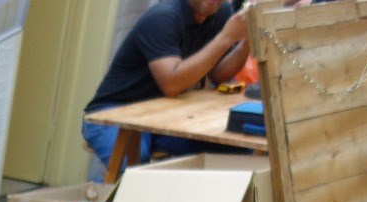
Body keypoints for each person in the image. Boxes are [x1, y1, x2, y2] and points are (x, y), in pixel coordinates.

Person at [82, 0, 251, 171]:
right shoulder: (163, 17)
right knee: (134, 164)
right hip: (113, 112)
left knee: (241, 149)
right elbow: (172, 84)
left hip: (165, 114)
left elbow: (218, 76)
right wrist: (225, 38)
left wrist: (246, 42)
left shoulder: (219, 12)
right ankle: (110, 195)